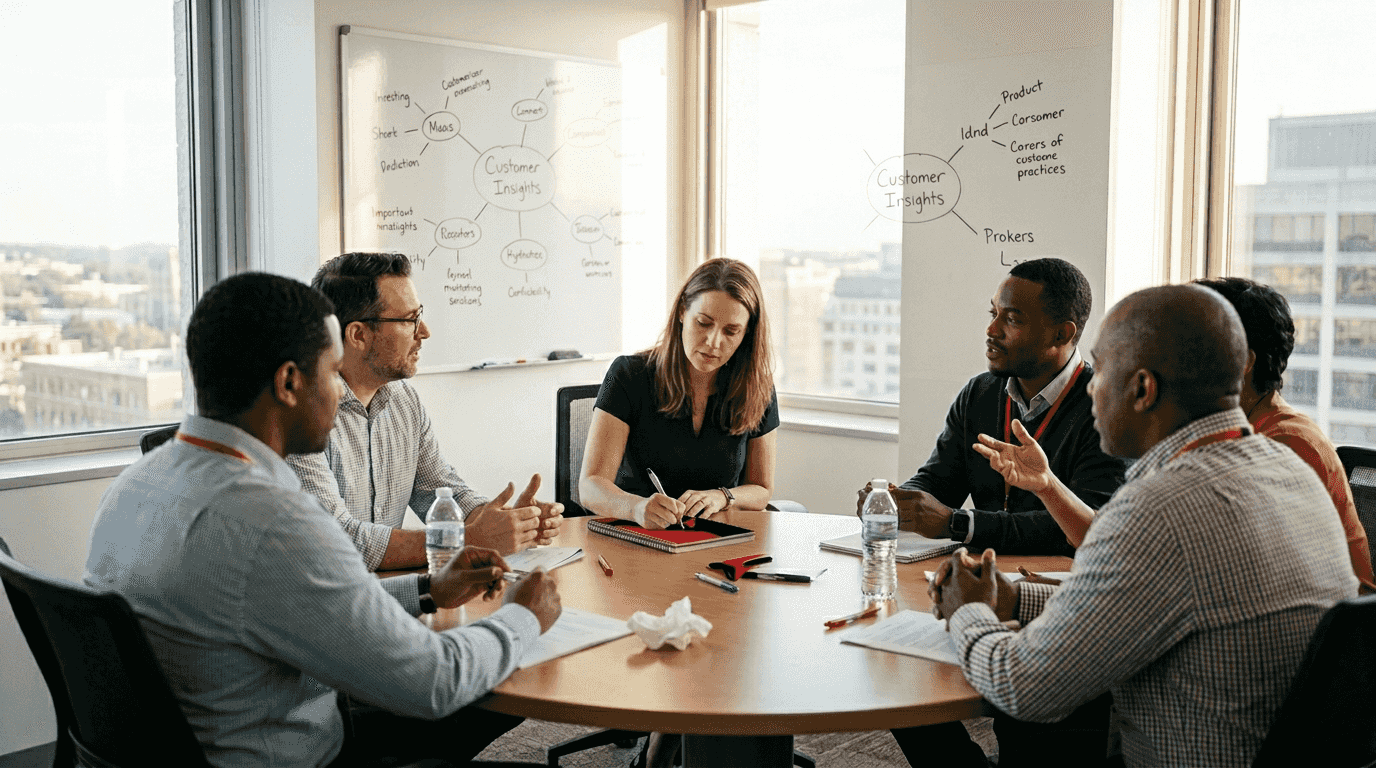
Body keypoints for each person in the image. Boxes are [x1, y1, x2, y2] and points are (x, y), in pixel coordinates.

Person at [84, 272, 563, 767]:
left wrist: (427, 589)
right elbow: (434, 683)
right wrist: (524, 616)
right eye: (334, 373)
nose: (341, 392)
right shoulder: (274, 522)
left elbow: (305, 597)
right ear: (289, 383)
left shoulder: (133, 486)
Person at [929, 284, 1358, 767]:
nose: (1089, 388)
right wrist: (1012, 598)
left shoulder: (1162, 509)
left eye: (1100, 371)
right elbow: (1146, 595)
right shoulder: (1287, 469)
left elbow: (1024, 688)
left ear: (1142, 389)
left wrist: (968, 610)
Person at [289, 252, 563, 572]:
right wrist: (467, 539)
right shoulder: (301, 414)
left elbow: (441, 491)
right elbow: (338, 539)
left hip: (392, 589)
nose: (425, 332)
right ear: (359, 335)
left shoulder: (404, 401)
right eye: (409, 320)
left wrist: (509, 522)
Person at [860, 257, 1126, 557]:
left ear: (1061, 334)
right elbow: (940, 481)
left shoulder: (1109, 409)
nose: (991, 329)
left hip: (1060, 580)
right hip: (985, 572)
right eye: (993, 313)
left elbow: (1083, 528)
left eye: (1012, 319)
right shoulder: (980, 393)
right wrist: (894, 502)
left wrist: (959, 524)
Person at [1197, 276, 1375, 589]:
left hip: (1327, 616)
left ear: (1241, 362)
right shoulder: (1244, 430)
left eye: (1192, 349)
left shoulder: (1287, 445)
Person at [580, 257, 778, 529]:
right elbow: (591, 485)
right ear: (683, 312)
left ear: (747, 333)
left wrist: (723, 497)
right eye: (703, 323)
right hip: (637, 533)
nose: (713, 342)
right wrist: (636, 508)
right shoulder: (628, 374)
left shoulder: (757, 386)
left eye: (731, 331)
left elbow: (761, 488)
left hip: (716, 537)